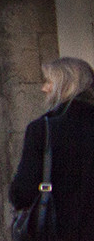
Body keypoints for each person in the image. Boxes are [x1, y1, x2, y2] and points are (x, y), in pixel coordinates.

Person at [10, 56, 94, 237]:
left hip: (58, 231)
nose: (44, 88)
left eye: (48, 82)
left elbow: (22, 192)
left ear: (65, 86)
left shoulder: (43, 129)